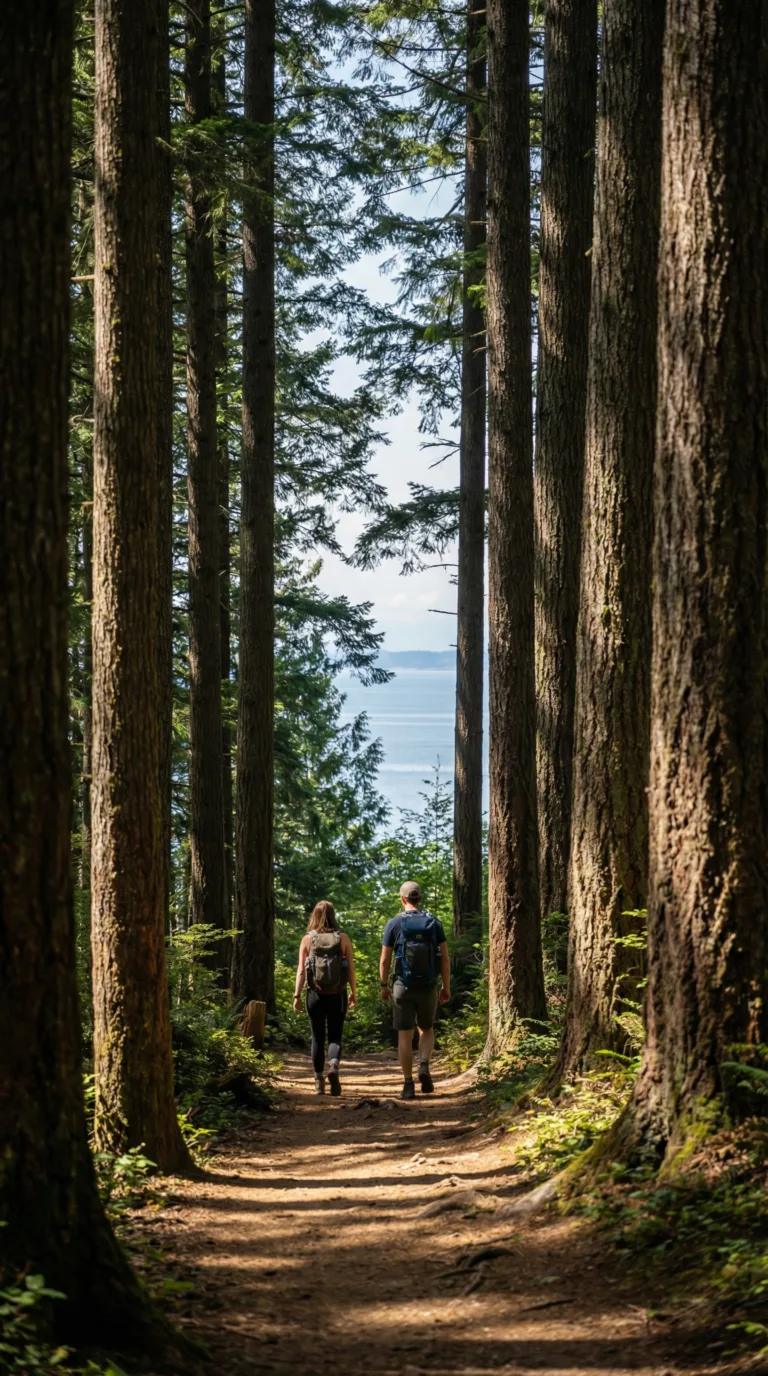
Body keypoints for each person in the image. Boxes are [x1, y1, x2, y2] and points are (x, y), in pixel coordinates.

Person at [379, 881, 450, 1100]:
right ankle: (425, 1066)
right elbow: (445, 958)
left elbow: (385, 960)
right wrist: (446, 986)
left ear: (402, 899)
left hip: (402, 985)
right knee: (426, 1029)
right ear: (420, 898)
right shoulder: (433, 923)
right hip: (428, 985)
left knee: (404, 1035)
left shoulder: (394, 923)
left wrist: (383, 985)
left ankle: (408, 1085)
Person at [294, 900, 356, 1096]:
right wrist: (353, 991)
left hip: (314, 994)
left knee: (317, 1038)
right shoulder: (342, 938)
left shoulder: (307, 939)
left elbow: (301, 971)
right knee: (335, 1035)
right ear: (332, 915)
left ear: (315, 915)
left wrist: (296, 995)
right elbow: (351, 968)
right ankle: (334, 1067)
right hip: (337, 994)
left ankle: (319, 1080)